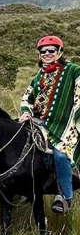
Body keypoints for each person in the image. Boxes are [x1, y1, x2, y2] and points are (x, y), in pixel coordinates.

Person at [19, 35, 80, 214]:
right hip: (40, 123)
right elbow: (27, 98)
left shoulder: (73, 70)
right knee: (19, 141)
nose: (46, 53)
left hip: (66, 126)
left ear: (59, 52)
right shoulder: (38, 77)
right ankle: (25, 187)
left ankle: (65, 197)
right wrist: (26, 112)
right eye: (43, 51)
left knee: (60, 155)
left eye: (51, 50)